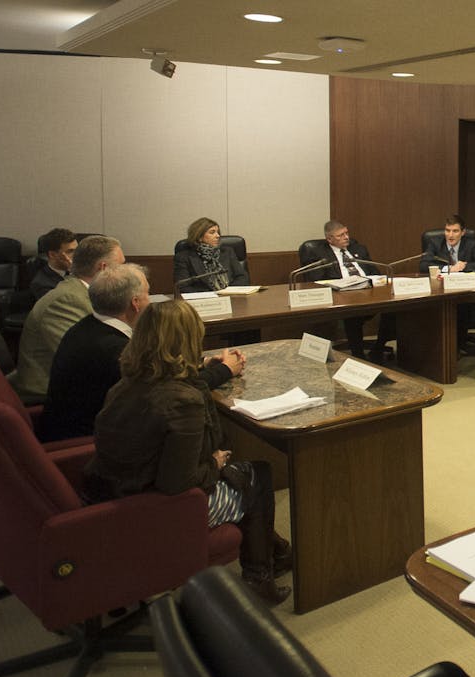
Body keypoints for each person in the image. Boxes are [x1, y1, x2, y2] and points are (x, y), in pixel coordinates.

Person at [84, 301, 290, 604]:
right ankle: (259, 577)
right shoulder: (183, 401)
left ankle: (280, 552)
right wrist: (214, 462)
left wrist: (205, 368)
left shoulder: (129, 381)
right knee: (255, 475)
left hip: (115, 492)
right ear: (190, 340)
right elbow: (178, 483)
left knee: (240, 475)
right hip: (159, 509)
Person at [37, 264, 242, 442]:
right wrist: (225, 369)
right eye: (148, 294)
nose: (150, 301)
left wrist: (202, 363)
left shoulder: (88, 327)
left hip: (91, 429)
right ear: (135, 303)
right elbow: (175, 393)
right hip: (91, 443)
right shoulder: (115, 350)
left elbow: (159, 373)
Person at [11, 235, 127, 401]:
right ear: (103, 268)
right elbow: (85, 360)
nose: (125, 273)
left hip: (78, 383)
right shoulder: (67, 301)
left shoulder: (82, 293)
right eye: (121, 266)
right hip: (48, 394)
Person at [301, 220, 396, 364]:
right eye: (340, 235)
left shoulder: (359, 249)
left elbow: (374, 272)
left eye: (346, 233)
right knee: (353, 314)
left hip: (369, 292)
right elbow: (314, 280)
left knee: (393, 308)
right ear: (329, 239)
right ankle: (358, 356)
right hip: (342, 296)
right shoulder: (318, 254)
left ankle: (378, 348)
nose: (346, 237)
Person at [420, 214, 475, 357]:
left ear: (463, 232)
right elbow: (424, 265)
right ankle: (448, 343)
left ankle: (457, 342)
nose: (450, 235)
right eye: (447, 230)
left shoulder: (470, 244)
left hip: (463, 289)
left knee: (462, 306)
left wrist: (464, 266)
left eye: (455, 231)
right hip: (440, 289)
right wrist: (449, 268)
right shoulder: (435, 243)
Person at [173, 217, 249, 293]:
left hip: (231, 296)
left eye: (218, 232)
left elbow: (242, 277)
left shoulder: (227, 252)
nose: (218, 236)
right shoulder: (184, 257)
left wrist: (226, 292)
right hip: (202, 300)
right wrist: (212, 294)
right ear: (199, 236)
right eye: (212, 232)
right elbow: (183, 286)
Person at [29, 227, 77, 299]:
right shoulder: (42, 284)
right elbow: (72, 304)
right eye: (70, 251)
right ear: (52, 255)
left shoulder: (83, 271)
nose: (77, 254)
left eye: (78, 250)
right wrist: (75, 274)